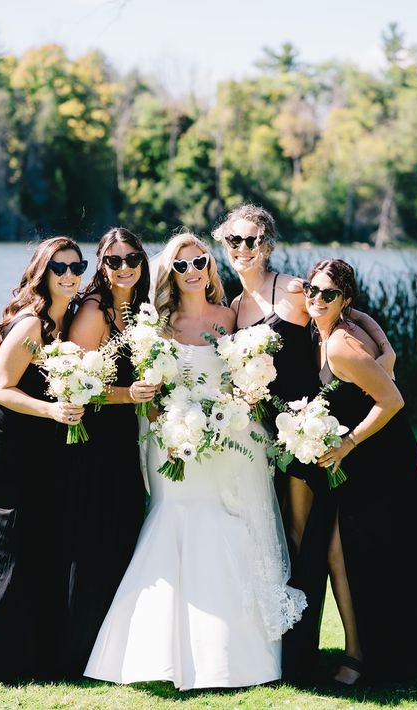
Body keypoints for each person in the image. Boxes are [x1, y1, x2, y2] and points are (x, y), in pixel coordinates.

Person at [84, 232, 307, 690]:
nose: (191, 271)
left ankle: (237, 654)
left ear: (209, 266)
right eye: (181, 265)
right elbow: (148, 395)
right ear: (169, 273)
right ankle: (153, 650)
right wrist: (167, 423)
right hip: (172, 442)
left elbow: (248, 379)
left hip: (230, 442)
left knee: (229, 528)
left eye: (199, 261)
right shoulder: (156, 326)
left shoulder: (232, 319)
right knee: (174, 521)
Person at [212, 202, 396, 680]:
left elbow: (352, 316)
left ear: (267, 244)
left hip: (312, 429)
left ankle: (353, 655)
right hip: (274, 437)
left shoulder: (294, 290)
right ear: (225, 246)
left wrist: (386, 350)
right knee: (295, 540)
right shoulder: (233, 309)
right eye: (234, 240)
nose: (243, 249)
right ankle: (297, 650)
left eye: (253, 240)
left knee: (327, 541)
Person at [0, 237, 87, 681]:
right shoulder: (32, 324)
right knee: (2, 543)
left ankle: (19, 646)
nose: (70, 275)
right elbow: (0, 389)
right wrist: (53, 410)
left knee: (25, 541)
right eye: (60, 268)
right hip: (3, 441)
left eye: (77, 266)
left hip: (31, 441)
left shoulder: (64, 319)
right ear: (43, 272)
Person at [305, 258, 417, 684]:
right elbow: (381, 345)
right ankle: (365, 652)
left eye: (328, 294)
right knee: (350, 551)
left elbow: (392, 400)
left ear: (345, 300)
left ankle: (367, 658)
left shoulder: (342, 344)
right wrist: (386, 346)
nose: (315, 299)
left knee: (365, 551)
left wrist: (347, 442)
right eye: (311, 289)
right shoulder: (330, 327)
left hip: (381, 458)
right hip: (369, 456)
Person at [65, 227, 155, 677]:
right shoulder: (94, 311)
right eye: (114, 260)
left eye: (132, 259)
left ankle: (112, 646)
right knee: (94, 541)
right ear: (100, 264)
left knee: (122, 533)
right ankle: (79, 648)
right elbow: (76, 387)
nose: (124, 268)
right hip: (95, 440)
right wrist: (128, 395)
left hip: (126, 440)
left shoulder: (140, 310)